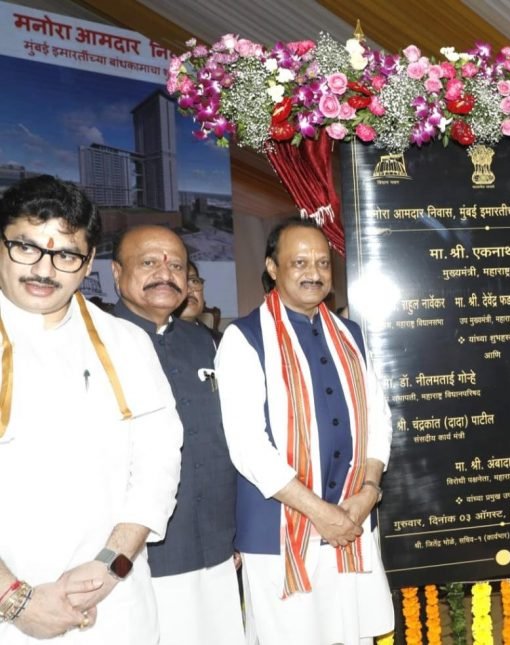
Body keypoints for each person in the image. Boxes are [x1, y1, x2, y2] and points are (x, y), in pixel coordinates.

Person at [0, 175, 182, 643]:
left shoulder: (127, 342)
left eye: (66, 255)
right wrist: (14, 600)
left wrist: (111, 564)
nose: (44, 270)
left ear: (88, 263)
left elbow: (158, 465)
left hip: (114, 602)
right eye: (27, 247)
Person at [215, 217, 393, 645]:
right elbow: (248, 446)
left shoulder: (350, 334)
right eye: (299, 262)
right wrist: (320, 512)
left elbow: (379, 417)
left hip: (351, 522)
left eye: (322, 263)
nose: (314, 273)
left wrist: (369, 492)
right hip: (279, 531)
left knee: (354, 636)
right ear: (272, 268)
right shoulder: (244, 338)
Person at [110, 226, 243, 645]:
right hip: (140, 559)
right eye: (149, 262)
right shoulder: (98, 344)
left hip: (218, 548)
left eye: (177, 266)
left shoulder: (204, 342)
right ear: (117, 273)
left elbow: (227, 439)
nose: (165, 274)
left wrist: (235, 533)